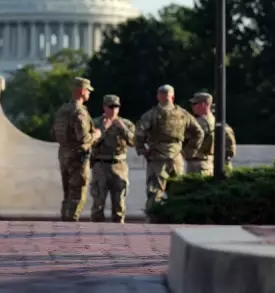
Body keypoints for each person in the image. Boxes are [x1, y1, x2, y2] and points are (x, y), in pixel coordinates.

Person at [135, 84, 204, 208]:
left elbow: (139, 131)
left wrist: (142, 149)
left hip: (157, 157)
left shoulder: (151, 114)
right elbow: (199, 133)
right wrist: (189, 151)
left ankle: (154, 217)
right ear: (173, 96)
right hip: (177, 156)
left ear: (158, 97)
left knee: (155, 191)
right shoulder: (183, 114)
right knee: (178, 191)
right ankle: (176, 217)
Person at [51, 77, 101, 221]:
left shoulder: (63, 110)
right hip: (77, 156)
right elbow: (83, 138)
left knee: (67, 193)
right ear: (82, 91)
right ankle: (71, 223)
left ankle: (65, 220)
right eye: (88, 91)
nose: (89, 94)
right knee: (78, 193)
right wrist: (96, 135)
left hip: (64, 154)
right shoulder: (79, 111)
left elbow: (54, 132)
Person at [90, 94, 135, 223]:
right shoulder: (96, 123)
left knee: (119, 205)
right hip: (100, 165)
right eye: (111, 107)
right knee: (98, 204)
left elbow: (134, 141)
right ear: (104, 107)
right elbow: (90, 142)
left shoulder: (126, 123)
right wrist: (103, 129)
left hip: (119, 165)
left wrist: (123, 128)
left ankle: (118, 234)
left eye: (116, 107)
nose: (114, 110)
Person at [185, 92, 237, 175]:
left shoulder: (198, 123)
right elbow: (230, 149)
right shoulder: (220, 124)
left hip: (198, 164)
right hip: (212, 164)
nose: (192, 106)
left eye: (195, 103)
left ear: (203, 105)